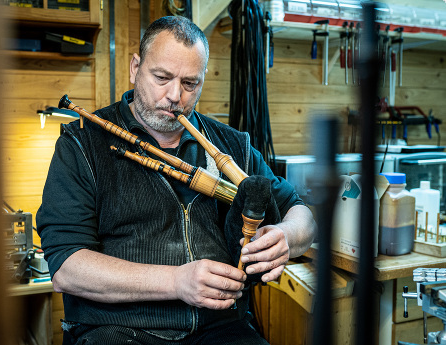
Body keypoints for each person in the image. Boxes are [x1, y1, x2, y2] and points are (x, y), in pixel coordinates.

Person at [37, 15, 316, 345]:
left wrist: (285, 237)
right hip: (116, 330)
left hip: (220, 327)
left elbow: (301, 214)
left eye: (189, 84)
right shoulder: (82, 144)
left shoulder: (230, 145)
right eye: (161, 77)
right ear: (135, 67)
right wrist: (176, 281)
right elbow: (67, 268)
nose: (174, 96)